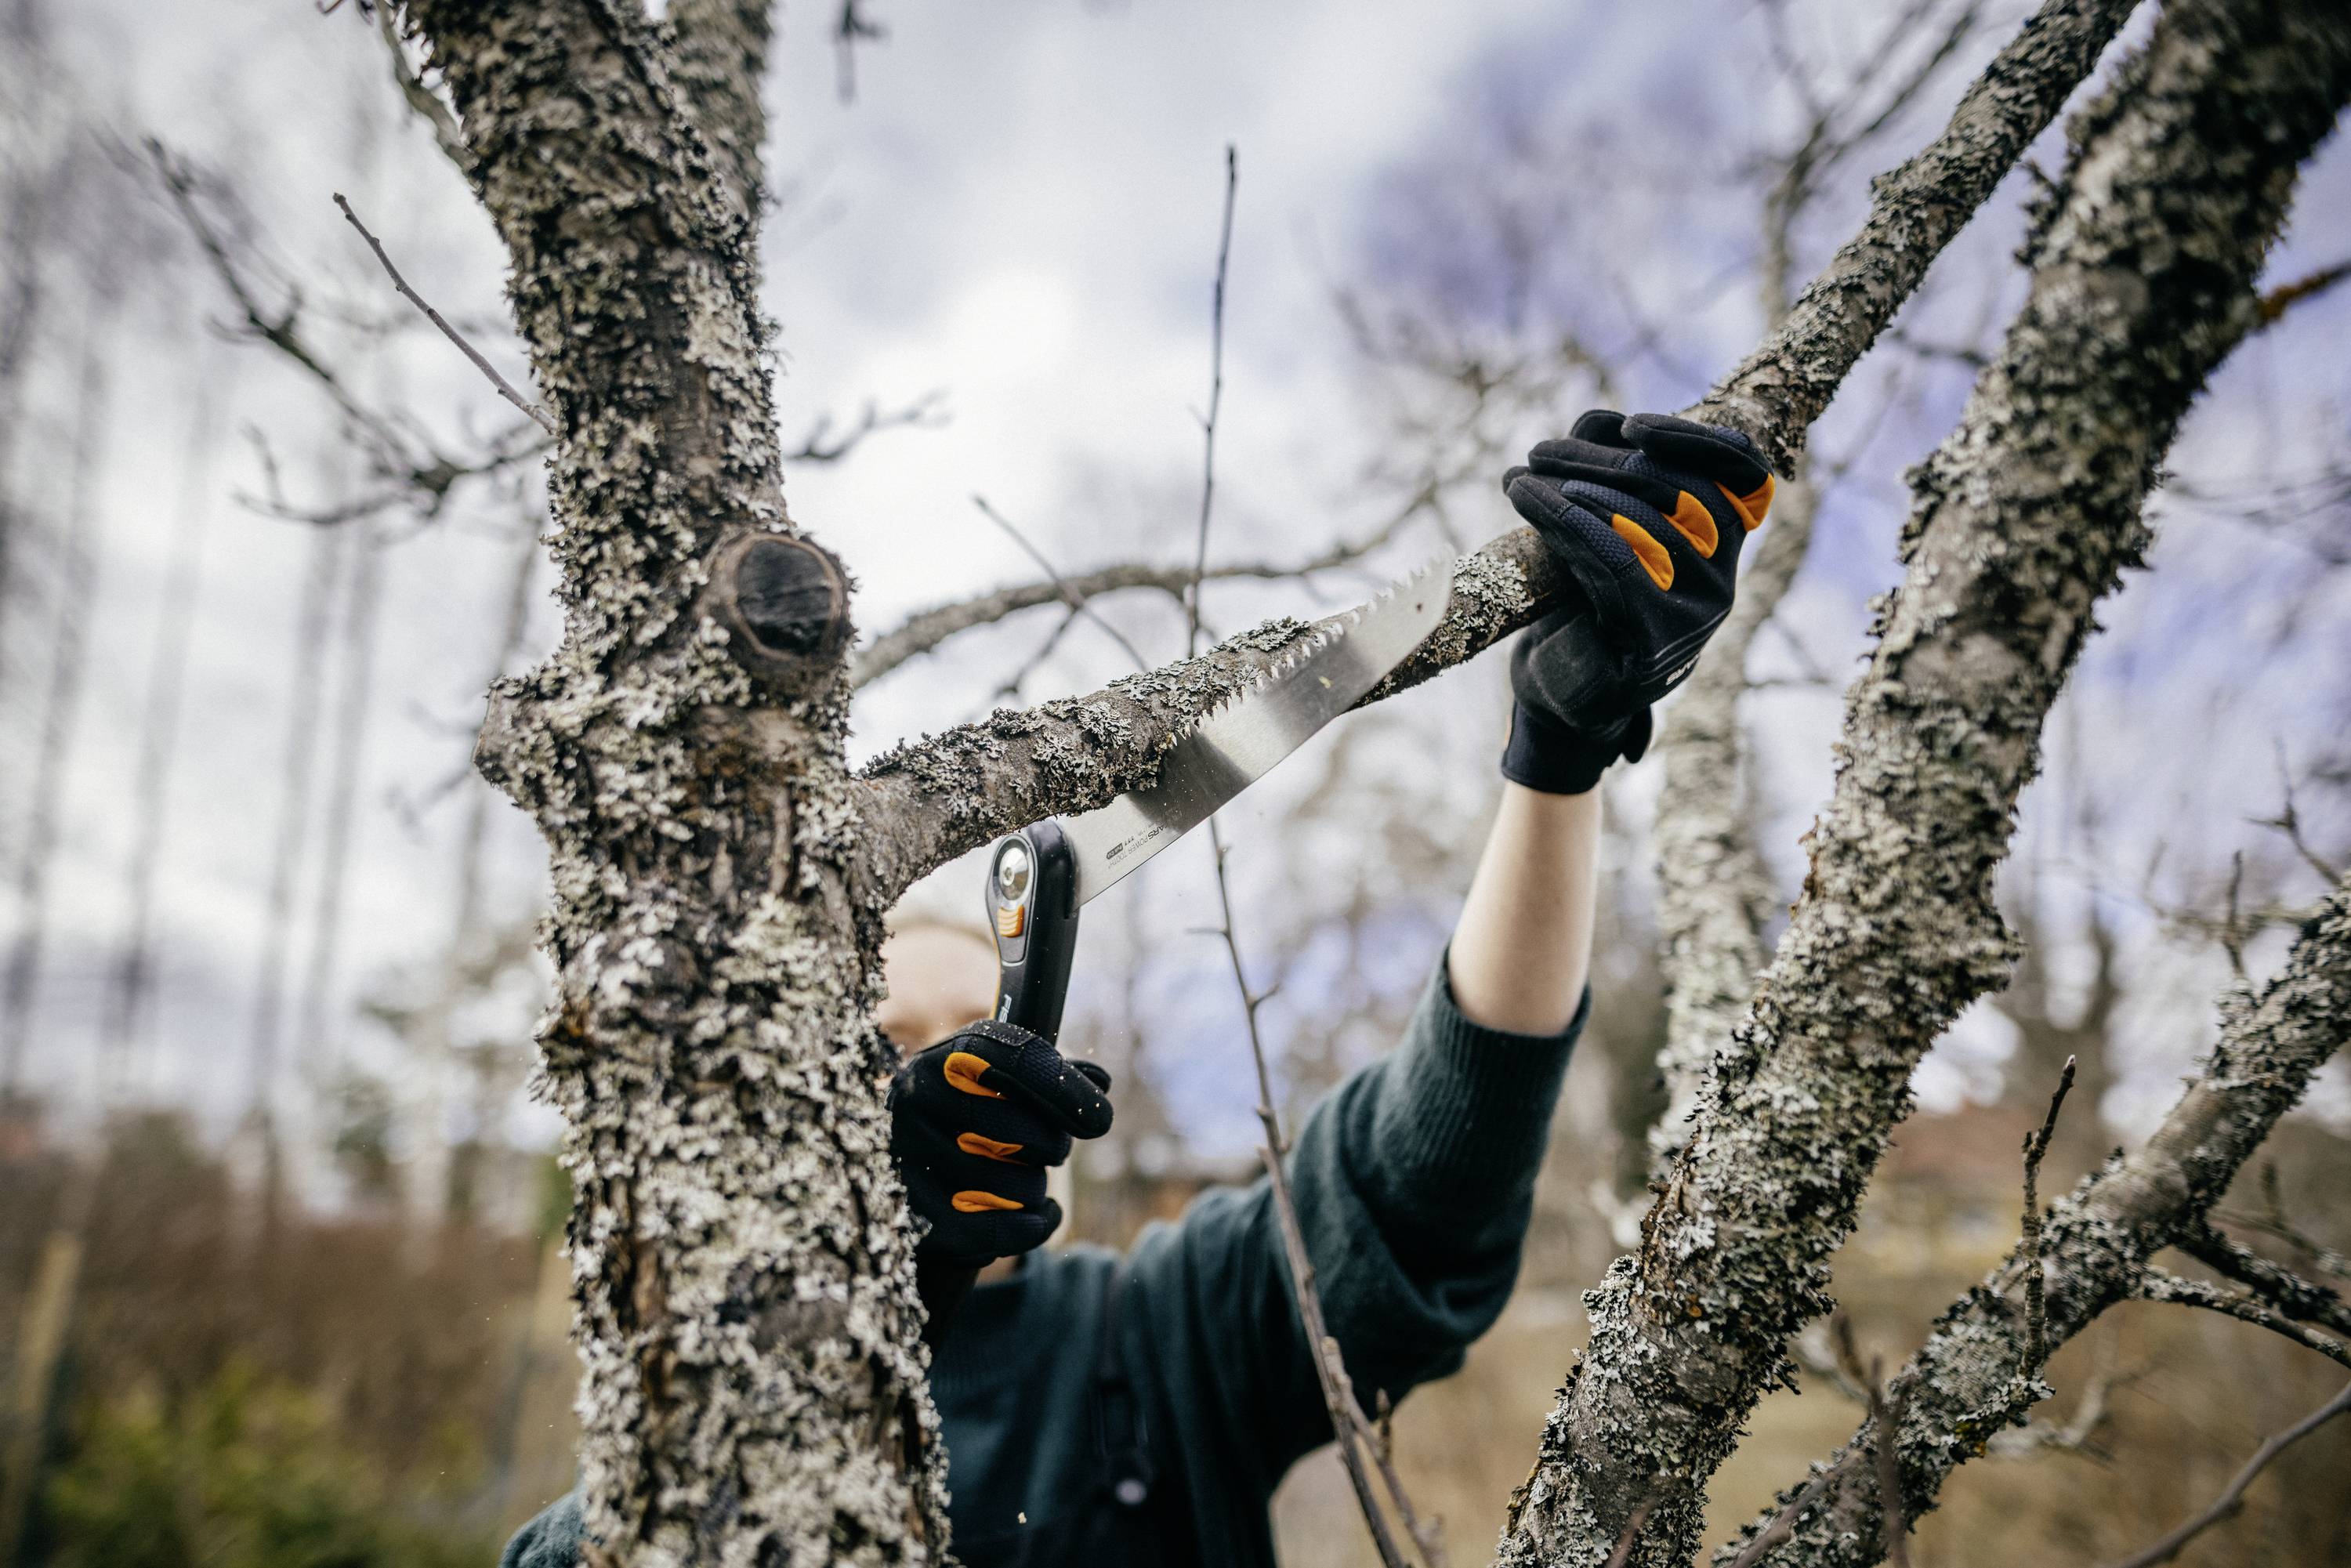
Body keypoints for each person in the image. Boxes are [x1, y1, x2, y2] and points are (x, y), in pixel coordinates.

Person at [499, 411, 1774, 1568]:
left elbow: (1422, 1185)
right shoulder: (696, 1411)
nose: (952, 1068)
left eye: (987, 1018)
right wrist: (861, 1296)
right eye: (892, 1044)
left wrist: (1556, 764)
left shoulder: (1155, 1333)